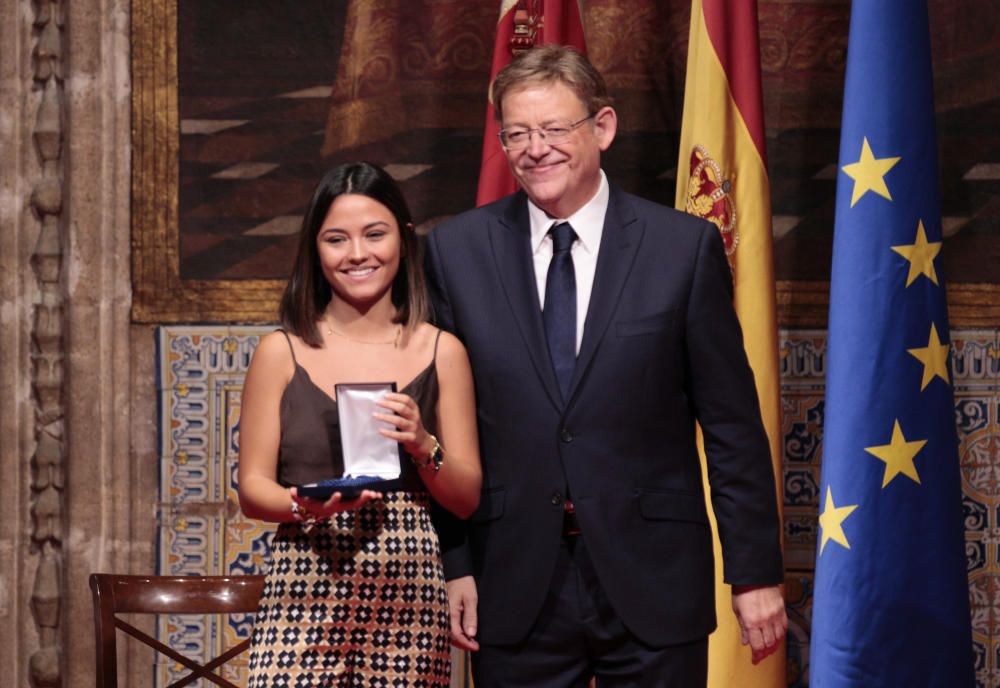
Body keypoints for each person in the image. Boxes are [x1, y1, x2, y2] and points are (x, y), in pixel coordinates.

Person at [425, 45, 786, 687]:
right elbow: (444, 434)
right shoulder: (457, 252)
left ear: (603, 127)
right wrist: (456, 565)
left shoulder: (682, 249)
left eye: (554, 129)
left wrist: (754, 574)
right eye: (517, 134)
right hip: (513, 579)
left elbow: (732, 427)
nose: (535, 150)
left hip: (654, 576)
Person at [238, 161, 481, 687]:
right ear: (314, 249)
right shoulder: (281, 351)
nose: (357, 254)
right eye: (336, 239)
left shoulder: (442, 351)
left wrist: (423, 446)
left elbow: (466, 497)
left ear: (404, 238)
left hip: (409, 580)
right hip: (304, 571)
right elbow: (252, 489)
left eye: (375, 234)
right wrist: (305, 503)